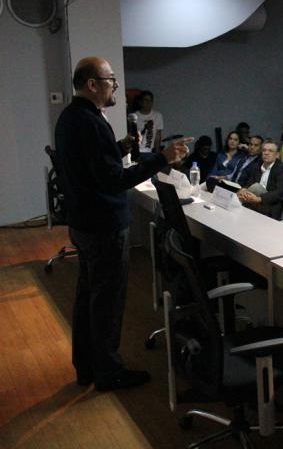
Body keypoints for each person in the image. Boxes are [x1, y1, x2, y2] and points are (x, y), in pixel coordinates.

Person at [55, 56, 189, 391]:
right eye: (110, 79)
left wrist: (117, 147)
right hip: (103, 226)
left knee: (89, 297)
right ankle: (108, 372)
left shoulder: (71, 117)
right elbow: (112, 181)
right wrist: (163, 158)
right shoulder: (91, 122)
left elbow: (91, 167)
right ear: (92, 84)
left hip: (83, 223)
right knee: (107, 302)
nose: (116, 85)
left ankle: (86, 366)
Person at [237, 140, 283, 220]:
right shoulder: (257, 165)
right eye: (264, 150)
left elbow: (280, 192)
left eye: (270, 151)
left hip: (269, 205)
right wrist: (244, 189)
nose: (266, 153)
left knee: (255, 189)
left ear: (277, 155)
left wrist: (259, 199)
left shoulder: (281, 169)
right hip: (252, 200)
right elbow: (250, 183)